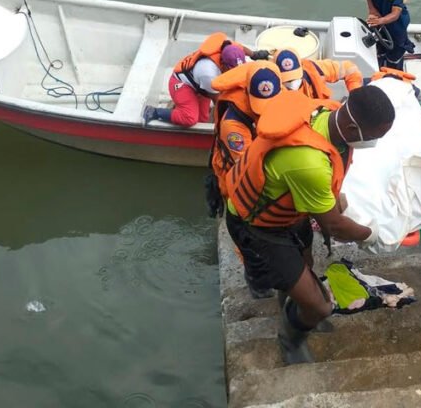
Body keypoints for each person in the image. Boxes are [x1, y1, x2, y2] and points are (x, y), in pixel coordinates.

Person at [223, 86, 395, 364]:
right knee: (320, 306)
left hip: (287, 210)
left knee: (306, 264)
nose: (375, 142)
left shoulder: (325, 113)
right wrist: (371, 234)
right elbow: (335, 225)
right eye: (375, 137)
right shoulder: (309, 162)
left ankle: (291, 306)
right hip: (257, 225)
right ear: (352, 127)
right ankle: (290, 339)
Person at [205, 61, 284, 299]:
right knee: (247, 233)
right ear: (248, 93)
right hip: (234, 178)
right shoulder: (234, 126)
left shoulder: (270, 80)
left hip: (254, 166)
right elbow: (250, 167)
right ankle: (255, 278)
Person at [144, 32, 269, 127]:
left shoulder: (231, 48)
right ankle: (155, 112)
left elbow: (241, 48)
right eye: (231, 70)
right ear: (223, 64)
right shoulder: (208, 72)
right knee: (190, 119)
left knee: (202, 120)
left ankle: (182, 106)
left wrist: (255, 55)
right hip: (181, 83)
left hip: (199, 84)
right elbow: (219, 102)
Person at [273, 48, 364, 100]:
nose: (292, 82)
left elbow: (349, 68)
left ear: (301, 66)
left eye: (294, 77)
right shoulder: (270, 90)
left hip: (321, 111)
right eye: (287, 80)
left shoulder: (315, 68)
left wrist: (355, 94)